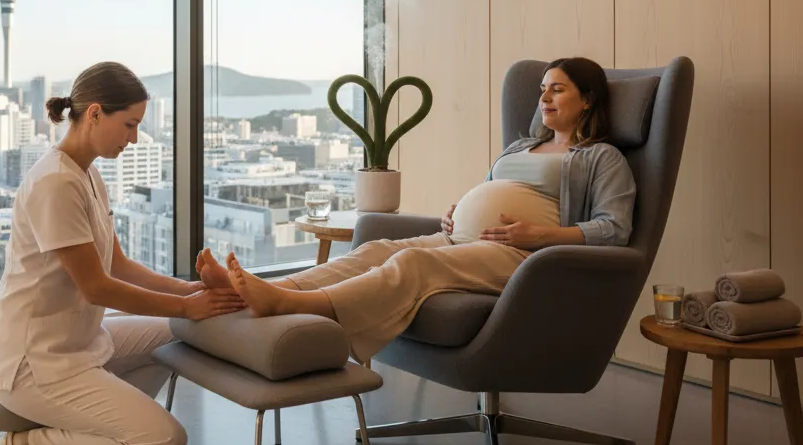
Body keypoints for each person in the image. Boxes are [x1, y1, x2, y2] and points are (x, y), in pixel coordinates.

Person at [211, 57, 637, 365]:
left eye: (557, 88)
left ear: (587, 99)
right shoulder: (523, 145)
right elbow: (496, 189)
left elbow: (613, 229)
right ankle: (257, 291)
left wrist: (539, 236)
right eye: (542, 87)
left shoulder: (601, 157)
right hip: (462, 239)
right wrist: (462, 209)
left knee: (412, 263)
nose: (543, 96)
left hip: (526, 260)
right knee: (375, 250)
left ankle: (288, 304)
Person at [0, 61, 244, 445]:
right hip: (36, 363)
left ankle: (98, 434)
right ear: (96, 113)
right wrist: (187, 308)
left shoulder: (85, 172)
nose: (134, 138)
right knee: (165, 441)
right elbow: (97, 287)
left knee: (175, 336)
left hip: (76, 344)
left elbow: (118, 264)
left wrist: (191, 294)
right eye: (130, 125)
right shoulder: (54, 183)